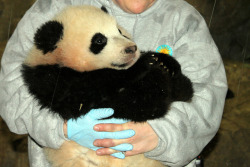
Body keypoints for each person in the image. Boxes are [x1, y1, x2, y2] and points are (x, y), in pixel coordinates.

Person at [0, 0, 228, 166]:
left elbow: (207, 96)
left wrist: (161, 134)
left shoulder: (184, 20)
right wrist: (59, 127)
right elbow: (10, 88)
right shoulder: (55, 6)